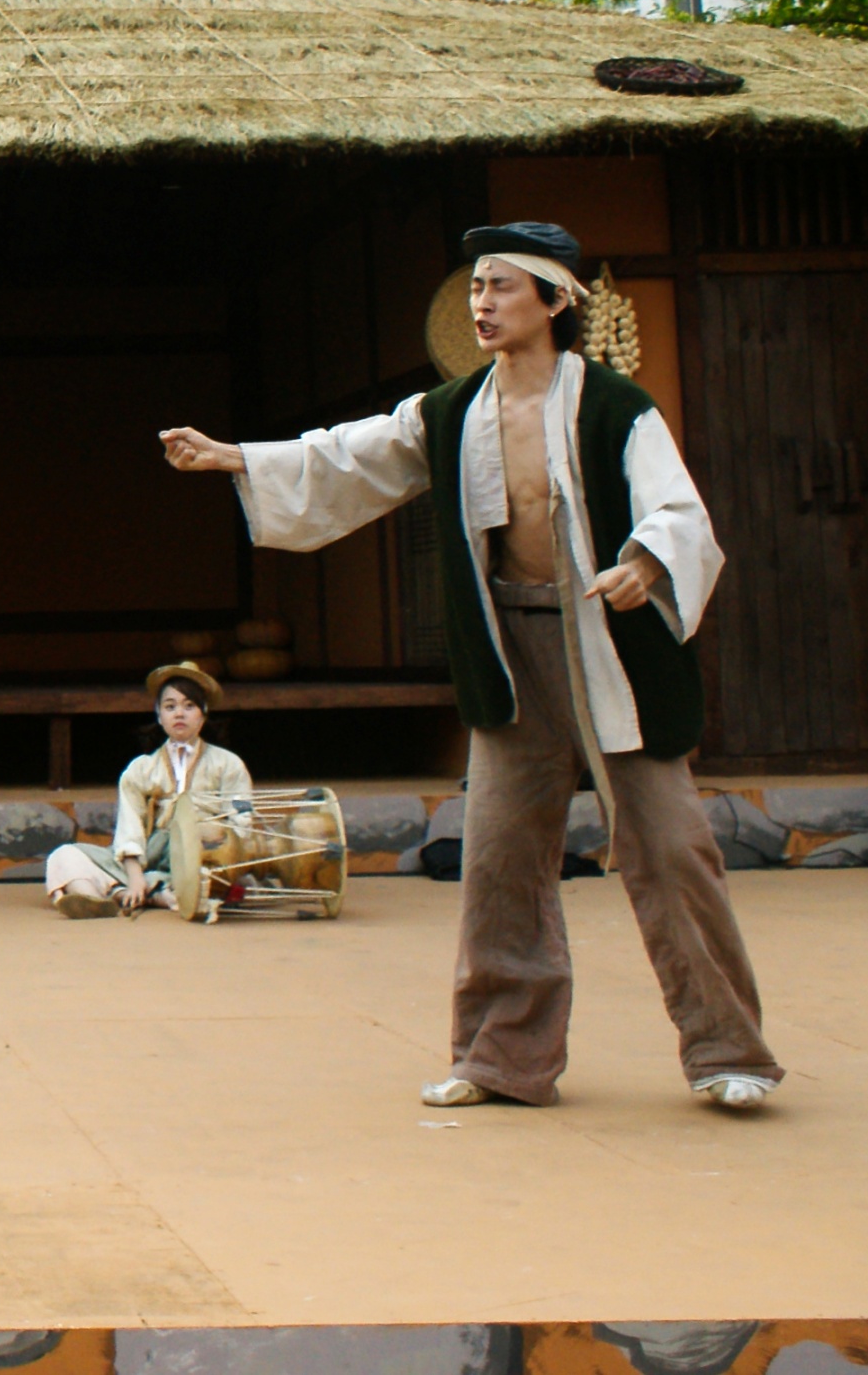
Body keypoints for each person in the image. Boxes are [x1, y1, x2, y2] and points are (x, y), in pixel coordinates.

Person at [160, 221, 780, 1112]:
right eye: (476, 288)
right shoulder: (451, 410)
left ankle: (729, 1052)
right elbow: (352, 452)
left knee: (674, 851)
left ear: (555, 300)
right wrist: (235, 457)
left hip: (609, 648)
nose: (482, 304)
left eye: (500, 287)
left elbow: (677, 510)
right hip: (508, 649)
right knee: (498, 863)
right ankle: (499, 1058)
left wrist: (646, 563)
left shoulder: (615, 405)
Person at [45, 665, 252, 917]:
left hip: (204, 856)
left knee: (220, 881)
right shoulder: (141, 768)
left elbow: (241, 816)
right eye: (170, 706)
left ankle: (130, 894)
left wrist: (220, 851)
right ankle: (119, 894)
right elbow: (130, 826)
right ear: (159, 714)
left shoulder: (228, 764)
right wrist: (135, 877)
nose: (179, 714)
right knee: (64, 856)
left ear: (203, 713)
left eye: (189, 706)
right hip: (150, 856)